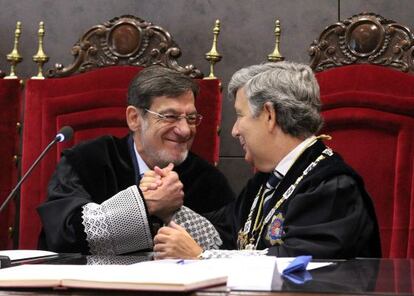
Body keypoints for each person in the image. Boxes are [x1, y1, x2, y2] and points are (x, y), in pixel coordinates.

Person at [152, 61, 382, 259]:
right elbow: (221, 232)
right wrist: (167, 207)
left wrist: (202, 257)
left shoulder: (331, 185)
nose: (234, 130)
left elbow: (296, 265)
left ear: (269, 115)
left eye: (240, 115)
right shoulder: (266, 181)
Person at [37, 66, 235, 255]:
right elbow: (62, 238)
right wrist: (144, 204)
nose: (184, 130)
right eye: (170, 116)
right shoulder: (86, 162)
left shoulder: (208, 180)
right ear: (134, 118)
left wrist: (173, 211)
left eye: (191, 118)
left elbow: (228, 251)